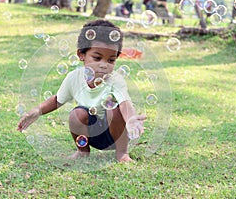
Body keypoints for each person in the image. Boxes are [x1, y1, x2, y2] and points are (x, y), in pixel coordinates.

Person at [17, 20, 147, 162]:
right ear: (81, 54)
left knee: (113, 108)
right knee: (76, 113)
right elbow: (57, 100)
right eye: (97, 58)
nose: (104, 65)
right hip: (91, 136)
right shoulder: (74, 78)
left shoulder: (115, 79)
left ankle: (122, 153)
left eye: (111, 60)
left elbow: (125, 103)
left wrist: (130, 119)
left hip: (116, 135)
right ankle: (82, 151)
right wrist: (38, 110)